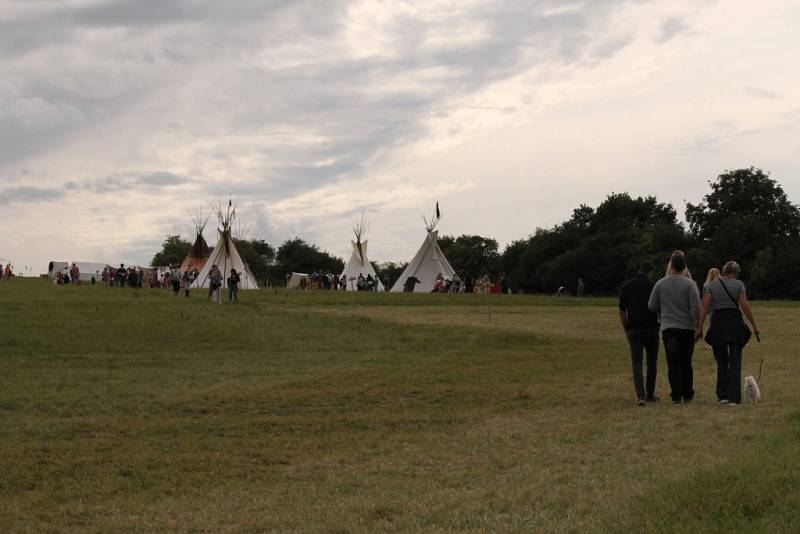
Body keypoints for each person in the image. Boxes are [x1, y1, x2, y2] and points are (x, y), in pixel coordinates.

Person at [696, 261, 760, 405]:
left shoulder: (711, 286)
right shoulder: (739, 285)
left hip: (718, 324)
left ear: (724, 271)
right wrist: (754, 326)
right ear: (736, 273)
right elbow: (744, 305)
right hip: (734, 323)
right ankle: (734, 398)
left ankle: (722, 395)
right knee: (735, 361)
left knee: (722, 361)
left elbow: (704, 307)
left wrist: (699, 328)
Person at [648, 251, 700, 405]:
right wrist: (696, 325)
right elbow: (695, 308)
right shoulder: (690, 284)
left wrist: (662, 312)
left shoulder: (660, 283)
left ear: (671, 266)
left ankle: (676, 395)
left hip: (669, 328)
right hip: (687, 329)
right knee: (686, 361)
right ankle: (688, 392)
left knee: (673, 362)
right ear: (684, 266)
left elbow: (651, 305)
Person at [619, 261, 660, 405]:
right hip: (651, 329)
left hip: (634, 329)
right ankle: (650, 394)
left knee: (637, 363)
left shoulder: (627, 286)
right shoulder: (654, 286)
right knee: (652, 363)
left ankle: (640, 395)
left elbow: (622, 310)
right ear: (650, 272)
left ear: (639, 270)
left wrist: (626, 328)